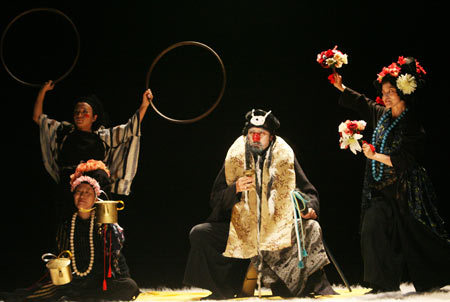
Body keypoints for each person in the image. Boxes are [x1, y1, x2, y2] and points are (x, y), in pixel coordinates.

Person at [183, 109, 336, 299]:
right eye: (251, 133)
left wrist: (310, 208)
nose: (255, 137)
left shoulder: (284, 155)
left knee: (311, 227)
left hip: (275, 228)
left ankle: (297, 286)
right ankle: (224, 290)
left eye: (261, 133)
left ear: (271, 137)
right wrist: (235, 189)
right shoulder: (235, 156)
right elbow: (215, 199)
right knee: (200, 233)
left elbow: (307, 191)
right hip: (242, 229)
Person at [330, 56, 450, 293]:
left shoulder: (412, 122)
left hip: (407, 189)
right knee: (372, 228)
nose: (385, 96)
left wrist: (375, 157)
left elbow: (405, 161)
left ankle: (436, 279)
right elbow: (363, 102)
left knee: (419, 236)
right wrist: (340, 86)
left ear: (404, 92)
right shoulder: (381, 114)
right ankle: (382, 285)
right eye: (383, 91)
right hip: (381, 188)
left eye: (391, 91)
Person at [0, 160, 140, 301]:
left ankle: (80, 297)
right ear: (73, 195)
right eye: (78, 192)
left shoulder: (104, 225)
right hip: (72, 282)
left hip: (97, 282)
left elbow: (116, 256)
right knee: (44, 291)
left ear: (95, 198)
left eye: (87, 192)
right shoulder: (67, 224)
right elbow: (58, 253)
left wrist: (124, 277)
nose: (82, 196)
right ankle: (78, 296)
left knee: (129, 286)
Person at [32, 80, 153, 220]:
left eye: (85, 112)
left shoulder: (103, 136)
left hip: (98, 190)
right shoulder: (63, 131)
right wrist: (43, 91)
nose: (79, 115)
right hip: (68, 189)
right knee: (66, 225)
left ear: (94, 117)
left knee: (103, 227)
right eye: (77, 112)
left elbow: (130, 128)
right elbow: (38, 118)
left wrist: (144, 105)